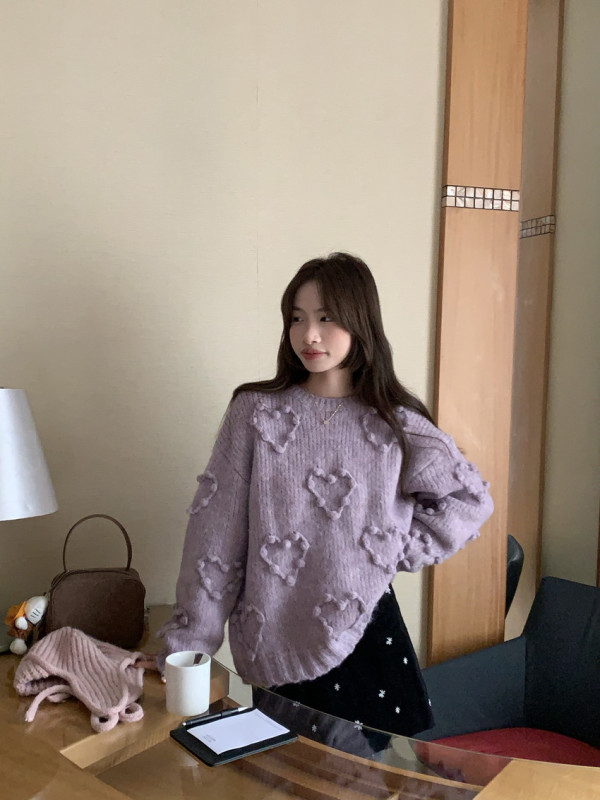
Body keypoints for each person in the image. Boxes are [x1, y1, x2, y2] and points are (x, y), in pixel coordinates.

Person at [159, 252, 493, 737]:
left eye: (326, 317)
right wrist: (186, 649)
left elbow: (468, 499)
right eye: (297, 319)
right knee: (287, 773)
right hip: (274, 642)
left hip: (370, 639)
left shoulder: (394, 422)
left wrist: (387, 548)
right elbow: (214, 540)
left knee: (385, 775)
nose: (309, 335)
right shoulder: (255, 413)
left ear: (361, 321)